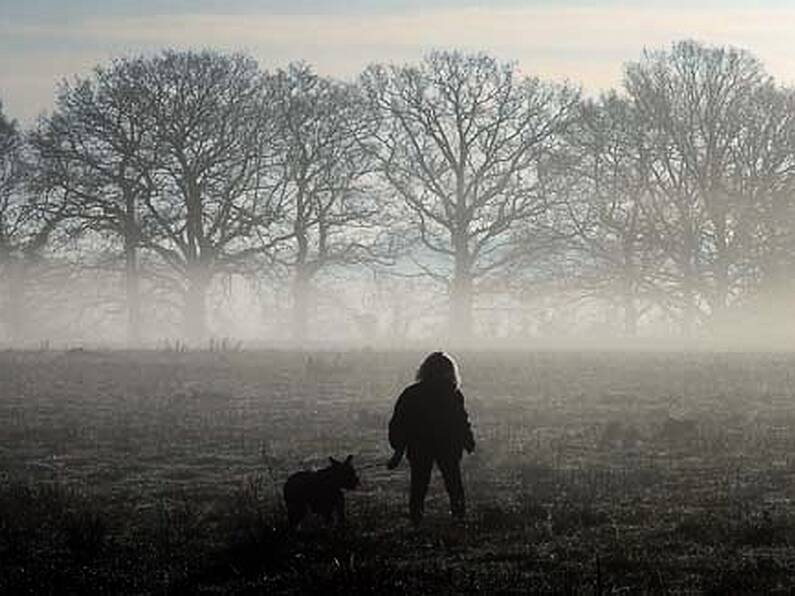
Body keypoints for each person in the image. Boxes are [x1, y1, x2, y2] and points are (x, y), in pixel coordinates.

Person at [387, 351, 475, 524]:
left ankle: (416, 520)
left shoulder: (412, 393)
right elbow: (461, 421)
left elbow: (400, 422)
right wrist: (467, 440)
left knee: (418, 486)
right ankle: (459, 518)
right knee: (454, 484)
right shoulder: (452, 393)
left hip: (420, 446)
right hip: (448, 446)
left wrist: (398, 449)